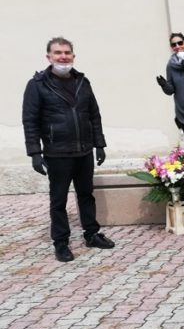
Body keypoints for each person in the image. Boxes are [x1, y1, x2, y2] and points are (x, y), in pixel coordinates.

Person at [22, 37, 115, 262]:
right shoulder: (38, 84)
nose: (63, 56)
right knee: (59, 200)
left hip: (84, 151)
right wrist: (35, 152)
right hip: (57, 153)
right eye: (58, 53)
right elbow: (30, 120)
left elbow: (94, 115)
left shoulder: (83, 82)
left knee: (86, 195)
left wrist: (99, 144)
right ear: (49, 57)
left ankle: (91, 234)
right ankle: (61, 242)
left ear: (73, 56)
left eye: (67, 52)